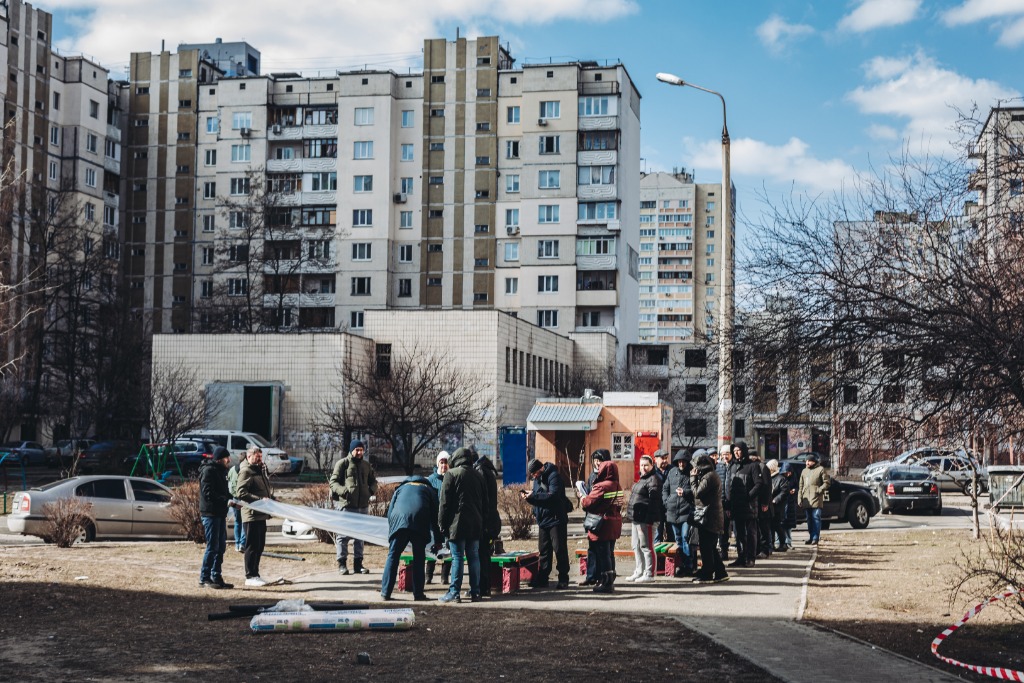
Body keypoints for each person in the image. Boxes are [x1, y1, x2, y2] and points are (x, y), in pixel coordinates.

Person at [380, 474, 443, 601]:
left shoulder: (400, 489)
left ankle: (385, 593)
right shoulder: (429, 490)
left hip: (398, 522)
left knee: (393, 555)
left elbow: (390, 512)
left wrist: (392, 532)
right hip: (419, 522)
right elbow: (436, 518)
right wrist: (438, 540)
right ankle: (418, 594)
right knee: (419, 558)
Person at [438, 447, 486, 603]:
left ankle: (454, 592)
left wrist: (442, 524)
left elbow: (444, 503)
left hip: (456, 524)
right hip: (475, 523)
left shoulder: (451, 475)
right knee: (474, 557)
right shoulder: (479, 476)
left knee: (457, 557)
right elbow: (485, 502)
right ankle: (476, 592)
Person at [329, 439, 378, 575]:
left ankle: (358, 564)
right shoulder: (343, 464)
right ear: (351, 450)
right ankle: (342, 564)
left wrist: (371, 491)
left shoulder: (366, 465)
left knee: (360, 536)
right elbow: (333, 482)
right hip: (346, 506)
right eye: (357, 449)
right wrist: (344, 491)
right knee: (343, 536)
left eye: (361, 450)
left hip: (362, 506)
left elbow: (373, 481)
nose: (359, 452)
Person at [522, 457, 572, 589]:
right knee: (544, 551)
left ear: (540, 469)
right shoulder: (537, 480)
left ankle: (563, 578)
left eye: (534, 473)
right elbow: (539, 499)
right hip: (543, 520)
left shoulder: (554, 476)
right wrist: (529, 498)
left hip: (556, 519)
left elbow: (553, 496)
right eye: (532, 475)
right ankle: (543, 578)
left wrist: (534, 496)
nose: (533, 476)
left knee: (559, 549)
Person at [581, 459, 623, 593]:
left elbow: (588, 503)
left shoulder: (601, 486)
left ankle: (606, 583)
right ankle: (610, 580)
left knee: (603, 554)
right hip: (614, 522)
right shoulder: (618, 486)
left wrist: (582, 497)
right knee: (609, 553)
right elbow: (619, 504)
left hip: (602, 525)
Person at [236, 446, 274, 587]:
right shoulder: (246, 471)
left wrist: (272, 499)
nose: (259, 460)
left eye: (260, 457)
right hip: (251, 515)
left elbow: (264, 490)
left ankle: (256, 574)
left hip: (261, 515)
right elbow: (241, 492)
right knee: (252, 546)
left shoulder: (259, 470)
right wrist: (259, 499)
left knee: (260, 546)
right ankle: (250, 575)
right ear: (249, 456)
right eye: (257, 457)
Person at [691, 452, 729, 583]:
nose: (693, 469)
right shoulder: (711, 475)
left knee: (706, 546)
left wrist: (693, 478)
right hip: (712, 516)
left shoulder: (708, 477)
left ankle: (707, 573)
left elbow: (697, 493)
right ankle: (720, 572)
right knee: (711, 546)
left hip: (709, 517)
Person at [198, 447, 233, 589]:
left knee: (221, 547)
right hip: (210, 514)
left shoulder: (222, 471)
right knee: (212, 547)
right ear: (219, 459)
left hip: (220, 513)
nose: (229, 460)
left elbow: (224, 492)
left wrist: (233, 500)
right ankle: (204, 578)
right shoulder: (208, 471)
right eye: (226, 458)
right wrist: (225, 500)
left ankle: (216, 576)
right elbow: (208, 493)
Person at [626, 455, 664, 583]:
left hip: (646, 520)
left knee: (646, 546)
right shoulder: (642, 479)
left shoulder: (654, 480)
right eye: (641, 465)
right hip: (636, 518)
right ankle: (639, 571)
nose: (643, 468)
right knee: (635, 546)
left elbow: (654, 502)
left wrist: (649, 520)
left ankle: (649, 573)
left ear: (652, 465)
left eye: (646, 465)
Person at [577, 449, 611, 586]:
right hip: (591, 517)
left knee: (605, 550)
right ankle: (591, 576)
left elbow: (612, 498)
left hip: (603, 518)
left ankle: (605, 578)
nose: (597, 463)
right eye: (595, 461)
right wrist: (583, 495)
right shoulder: (592, 476)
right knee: (592, 548)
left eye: (600, 460)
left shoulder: (609, 477)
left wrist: (592, 500)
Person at [472, 448, 501, 597]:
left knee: (482, 555)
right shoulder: (485, 469)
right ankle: (484, 586)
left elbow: (482, 498)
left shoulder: (480, 471)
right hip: (490, 520)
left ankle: (483, 587)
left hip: (486, 522)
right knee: (484, 554)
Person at [662, 448, 696, 577]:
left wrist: (686, 493)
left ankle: (689, 565)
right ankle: (682, 564)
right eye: (679, 462)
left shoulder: (692, 473)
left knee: (685, 538)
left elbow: (696, 491)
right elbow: (665, 488)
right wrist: (667, 501)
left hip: (686, 511)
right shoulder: (672, 472)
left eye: (684, 462)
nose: (681, 464)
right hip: (672, 511)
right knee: (678, 540)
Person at [728, 441, 761, 568]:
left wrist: (748, 496)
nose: (736, 453)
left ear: (744, 451)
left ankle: (751, 558)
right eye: (734, 450)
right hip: (736, 506)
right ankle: (741, 557)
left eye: (739, 450)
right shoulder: (732, 467)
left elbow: (759, 484)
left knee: (751, 533)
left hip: (749, 506)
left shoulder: (753, 466)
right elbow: (728, 486)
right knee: (739, 534)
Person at [425, 451, 450, 585]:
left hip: (447, 520)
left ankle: (444, 576)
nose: (444, 465)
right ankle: (428, 575)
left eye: (446, 462)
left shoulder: (451, 478)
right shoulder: (431, 480)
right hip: (433, 520)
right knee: (432, 546)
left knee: (447, 547)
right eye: (442, 462)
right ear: (437, 464)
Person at [797, 453, 831, 545]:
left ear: (814, 462)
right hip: (806, 499)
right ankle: (811, 536)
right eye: (806, 461)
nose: (807, 463)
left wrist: (819, 490)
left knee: (816, 517)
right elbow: (801, 486)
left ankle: (816, 537)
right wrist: (799, 498)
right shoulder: (804, 471)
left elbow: (827, 482)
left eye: (809, 461)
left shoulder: (820, 469)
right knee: (809, 519)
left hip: (816, 498)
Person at [750, 450, 774, 559]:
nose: (752, 458)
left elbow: (767, 486)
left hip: (763, 503)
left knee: (764, 528)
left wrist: (765, 502)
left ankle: (766, 550)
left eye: (753, 456)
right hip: (754, 503)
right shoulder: (750, 466)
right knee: (756, 528)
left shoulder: (763, 467)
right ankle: (758, 549)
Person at [769, 459, 793, 551]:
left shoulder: (781, 478)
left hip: (778, 507)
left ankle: (783, 544)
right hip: (770, 506)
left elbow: (784, 492)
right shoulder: (769, 478)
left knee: (777, 526)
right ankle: (771, 544)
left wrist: (775, 500)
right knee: (771, 526)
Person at [716, 444, 733, 561]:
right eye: (723, 454)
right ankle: (723, 551)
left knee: (729, 528)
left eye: (727, 454)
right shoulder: (718, 467)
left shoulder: (734, 466)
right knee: (722, 528)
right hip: (720, 502)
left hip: (732, 502)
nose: (725, 456)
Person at [652, 450, 673, 543]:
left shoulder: (673, 470)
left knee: (672, 535)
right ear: (655, 459)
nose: (665, 461)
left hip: (670, 507)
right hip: (656, 507)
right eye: (662, 458)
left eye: (666, 458)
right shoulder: (651, 472)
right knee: (657, 535)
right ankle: (658, 557)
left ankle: (671, 557)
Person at [226, 456, 246, 553]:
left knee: (238, 521)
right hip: (244, 498)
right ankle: (242, 543)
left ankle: (237, 543)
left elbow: (229, 483)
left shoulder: (232, 470)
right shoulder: (245, 470)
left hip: (234, 497)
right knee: (245, 521)